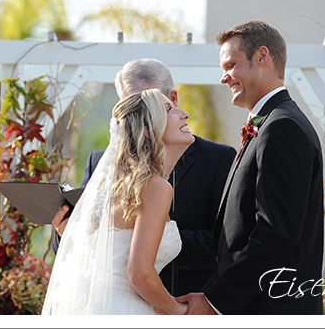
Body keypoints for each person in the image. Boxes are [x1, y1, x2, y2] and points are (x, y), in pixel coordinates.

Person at [52, 59, 236, 296]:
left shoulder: (218, 158)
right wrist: (67, 234)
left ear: (173, 99)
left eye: (151, 105)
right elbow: (80, 245)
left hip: (189, 298)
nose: (137, 116)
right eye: (131, 106)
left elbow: (227, 241)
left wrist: (146, 238)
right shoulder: (99, 162)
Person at [177, 20, 324, 315]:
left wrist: (215, 301)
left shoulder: (282, 128)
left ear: (261, 57)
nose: (224, 78)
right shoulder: (272, 123)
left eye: (230, 65)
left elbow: (275, 235)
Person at [42, 89, 193, 314]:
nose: (184, 114)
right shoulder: (155, 186)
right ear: (147, 130)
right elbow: (139, 275)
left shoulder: (115, 188)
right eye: (169, 109)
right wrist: (179, 312)